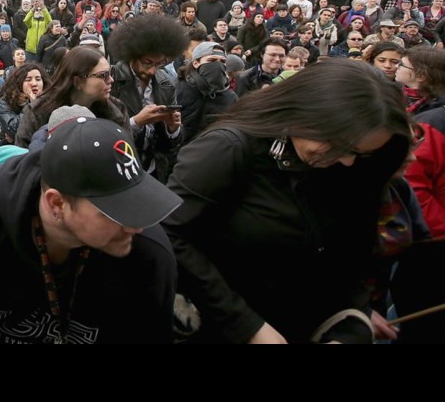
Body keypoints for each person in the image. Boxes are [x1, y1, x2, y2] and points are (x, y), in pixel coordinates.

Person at [164, 60, 412, 343]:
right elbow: (171, 232)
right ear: (306, 112)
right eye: (338, 145)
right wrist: (245, 325)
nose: (346, 160)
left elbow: (344, 257)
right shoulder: (231, 148)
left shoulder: (351, 168)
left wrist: (352, 315)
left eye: (360, 153)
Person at [0, 116, 181, 343]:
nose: (135, 225)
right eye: (114, 210)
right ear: (56, 203)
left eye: (137, 201)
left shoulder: (149, 252)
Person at [108, 15, 187, 182]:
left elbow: (170, 145)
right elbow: (102, 132)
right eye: (147, 63)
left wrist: (173, 129)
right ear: (132, 55)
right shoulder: (111, 81)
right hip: (118, 167)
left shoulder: (167, 83)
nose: (152, 71)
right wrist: (136, 122)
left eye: (158, 64)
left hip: (153, 170)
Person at [15, 47, 133, 149]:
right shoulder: (38, 112)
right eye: (103, 75)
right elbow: (23, 161)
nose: (111, 80)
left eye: (110, 73)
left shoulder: (117, 110)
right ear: (77, 81)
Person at [176, 42, 238, 142]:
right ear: (196, 63)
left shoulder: (230, 97)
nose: (217, 65)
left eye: (222, 61)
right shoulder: (179, 89)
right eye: (211, 60)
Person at [0, 63, 49, 146]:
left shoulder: (51, 100)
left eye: (38, 79)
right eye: (28, 80)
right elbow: (12, 130)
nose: (34, 83)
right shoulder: (7, 100)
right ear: (20, 83)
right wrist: (31, 105)